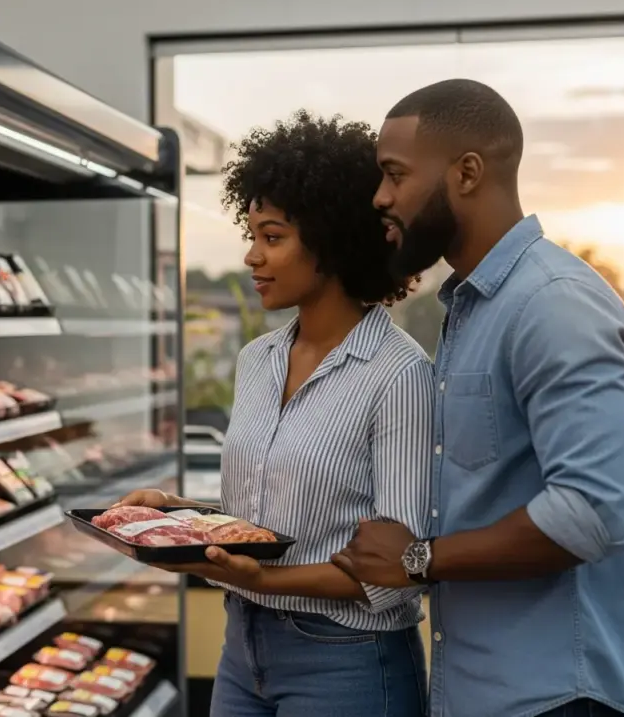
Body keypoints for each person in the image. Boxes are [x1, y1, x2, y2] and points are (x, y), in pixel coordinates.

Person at [331, 79, 624, 717]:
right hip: (483, 694)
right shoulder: (473, 308)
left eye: (395, 174)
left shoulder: (553, 305)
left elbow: (593, 512)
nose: (380, 197)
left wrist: (418, 559)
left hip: (561, 700)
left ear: (467, 172)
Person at [118, 110, 432, 717]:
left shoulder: (399, 374)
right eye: (253, 235)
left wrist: (265, 581)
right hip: (243, 647)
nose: (251, 256)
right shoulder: (257, 360)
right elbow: (261, 518)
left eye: (272, 237)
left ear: (331, 242)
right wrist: (175, 513)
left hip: (347, 660)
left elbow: (396, 567)